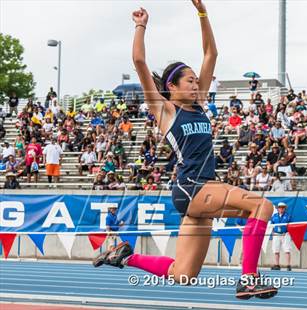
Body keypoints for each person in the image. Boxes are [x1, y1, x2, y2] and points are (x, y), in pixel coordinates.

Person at [93, 2, 278, 300]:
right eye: (189, 81)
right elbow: (139, 62)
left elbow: (211, 54)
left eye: (197, 80)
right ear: (172, 86)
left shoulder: (199, 103)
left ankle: (125, 257)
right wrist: (141, 26)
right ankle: (248, 278)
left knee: (183, 274)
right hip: (192, 187)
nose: (196, 84)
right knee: (261, 206)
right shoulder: (165, 110)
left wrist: (202, 13)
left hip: (198, 192)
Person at [270, 202, 292, 271]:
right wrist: (273, 232)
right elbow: (271, 224)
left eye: (283, 207)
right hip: (276, 234)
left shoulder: (288, 216)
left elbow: (291, 225)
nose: (281, 209)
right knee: (276, 250)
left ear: (285, 208)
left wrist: (287, 232)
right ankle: (277, 265)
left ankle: (288, 265)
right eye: (280, 207)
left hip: (285, 234)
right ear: (278, 208)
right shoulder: (274, 216)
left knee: (287, 250)